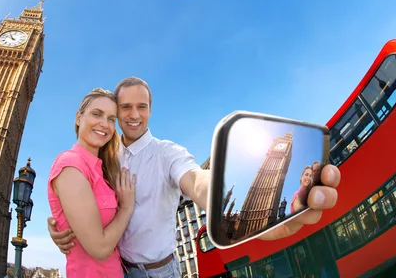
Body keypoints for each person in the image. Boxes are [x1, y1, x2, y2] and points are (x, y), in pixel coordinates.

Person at [48, 77, 342, 278]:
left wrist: (218, 197)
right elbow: (87, 203)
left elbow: (195, 179)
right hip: (119, 269)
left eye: (142, 106)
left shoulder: (167, 153)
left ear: (150, 110)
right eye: (124, 108)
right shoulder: (106, 157)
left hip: (160, 271)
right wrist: (60, 224)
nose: (133, 114)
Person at [47, 88, 137, 277]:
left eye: (111, 119)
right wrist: (126, 208)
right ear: (79, 118)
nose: (104, 124)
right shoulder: (70, 165)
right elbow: (99, 248)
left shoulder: (103, 170)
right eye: (97, 114)